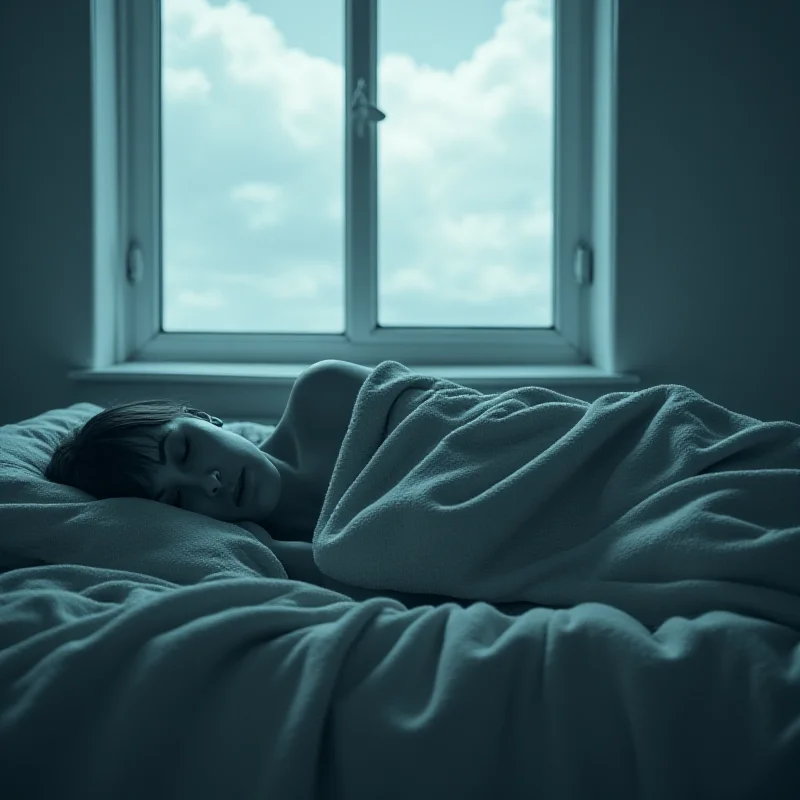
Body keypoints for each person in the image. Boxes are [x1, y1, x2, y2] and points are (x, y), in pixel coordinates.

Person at [45, 359, 373, 585]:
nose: (209, 482)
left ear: (202, 417)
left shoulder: (328, 394)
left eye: (185, 450)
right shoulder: (255, 553)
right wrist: (280, 554)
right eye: (177, 498)